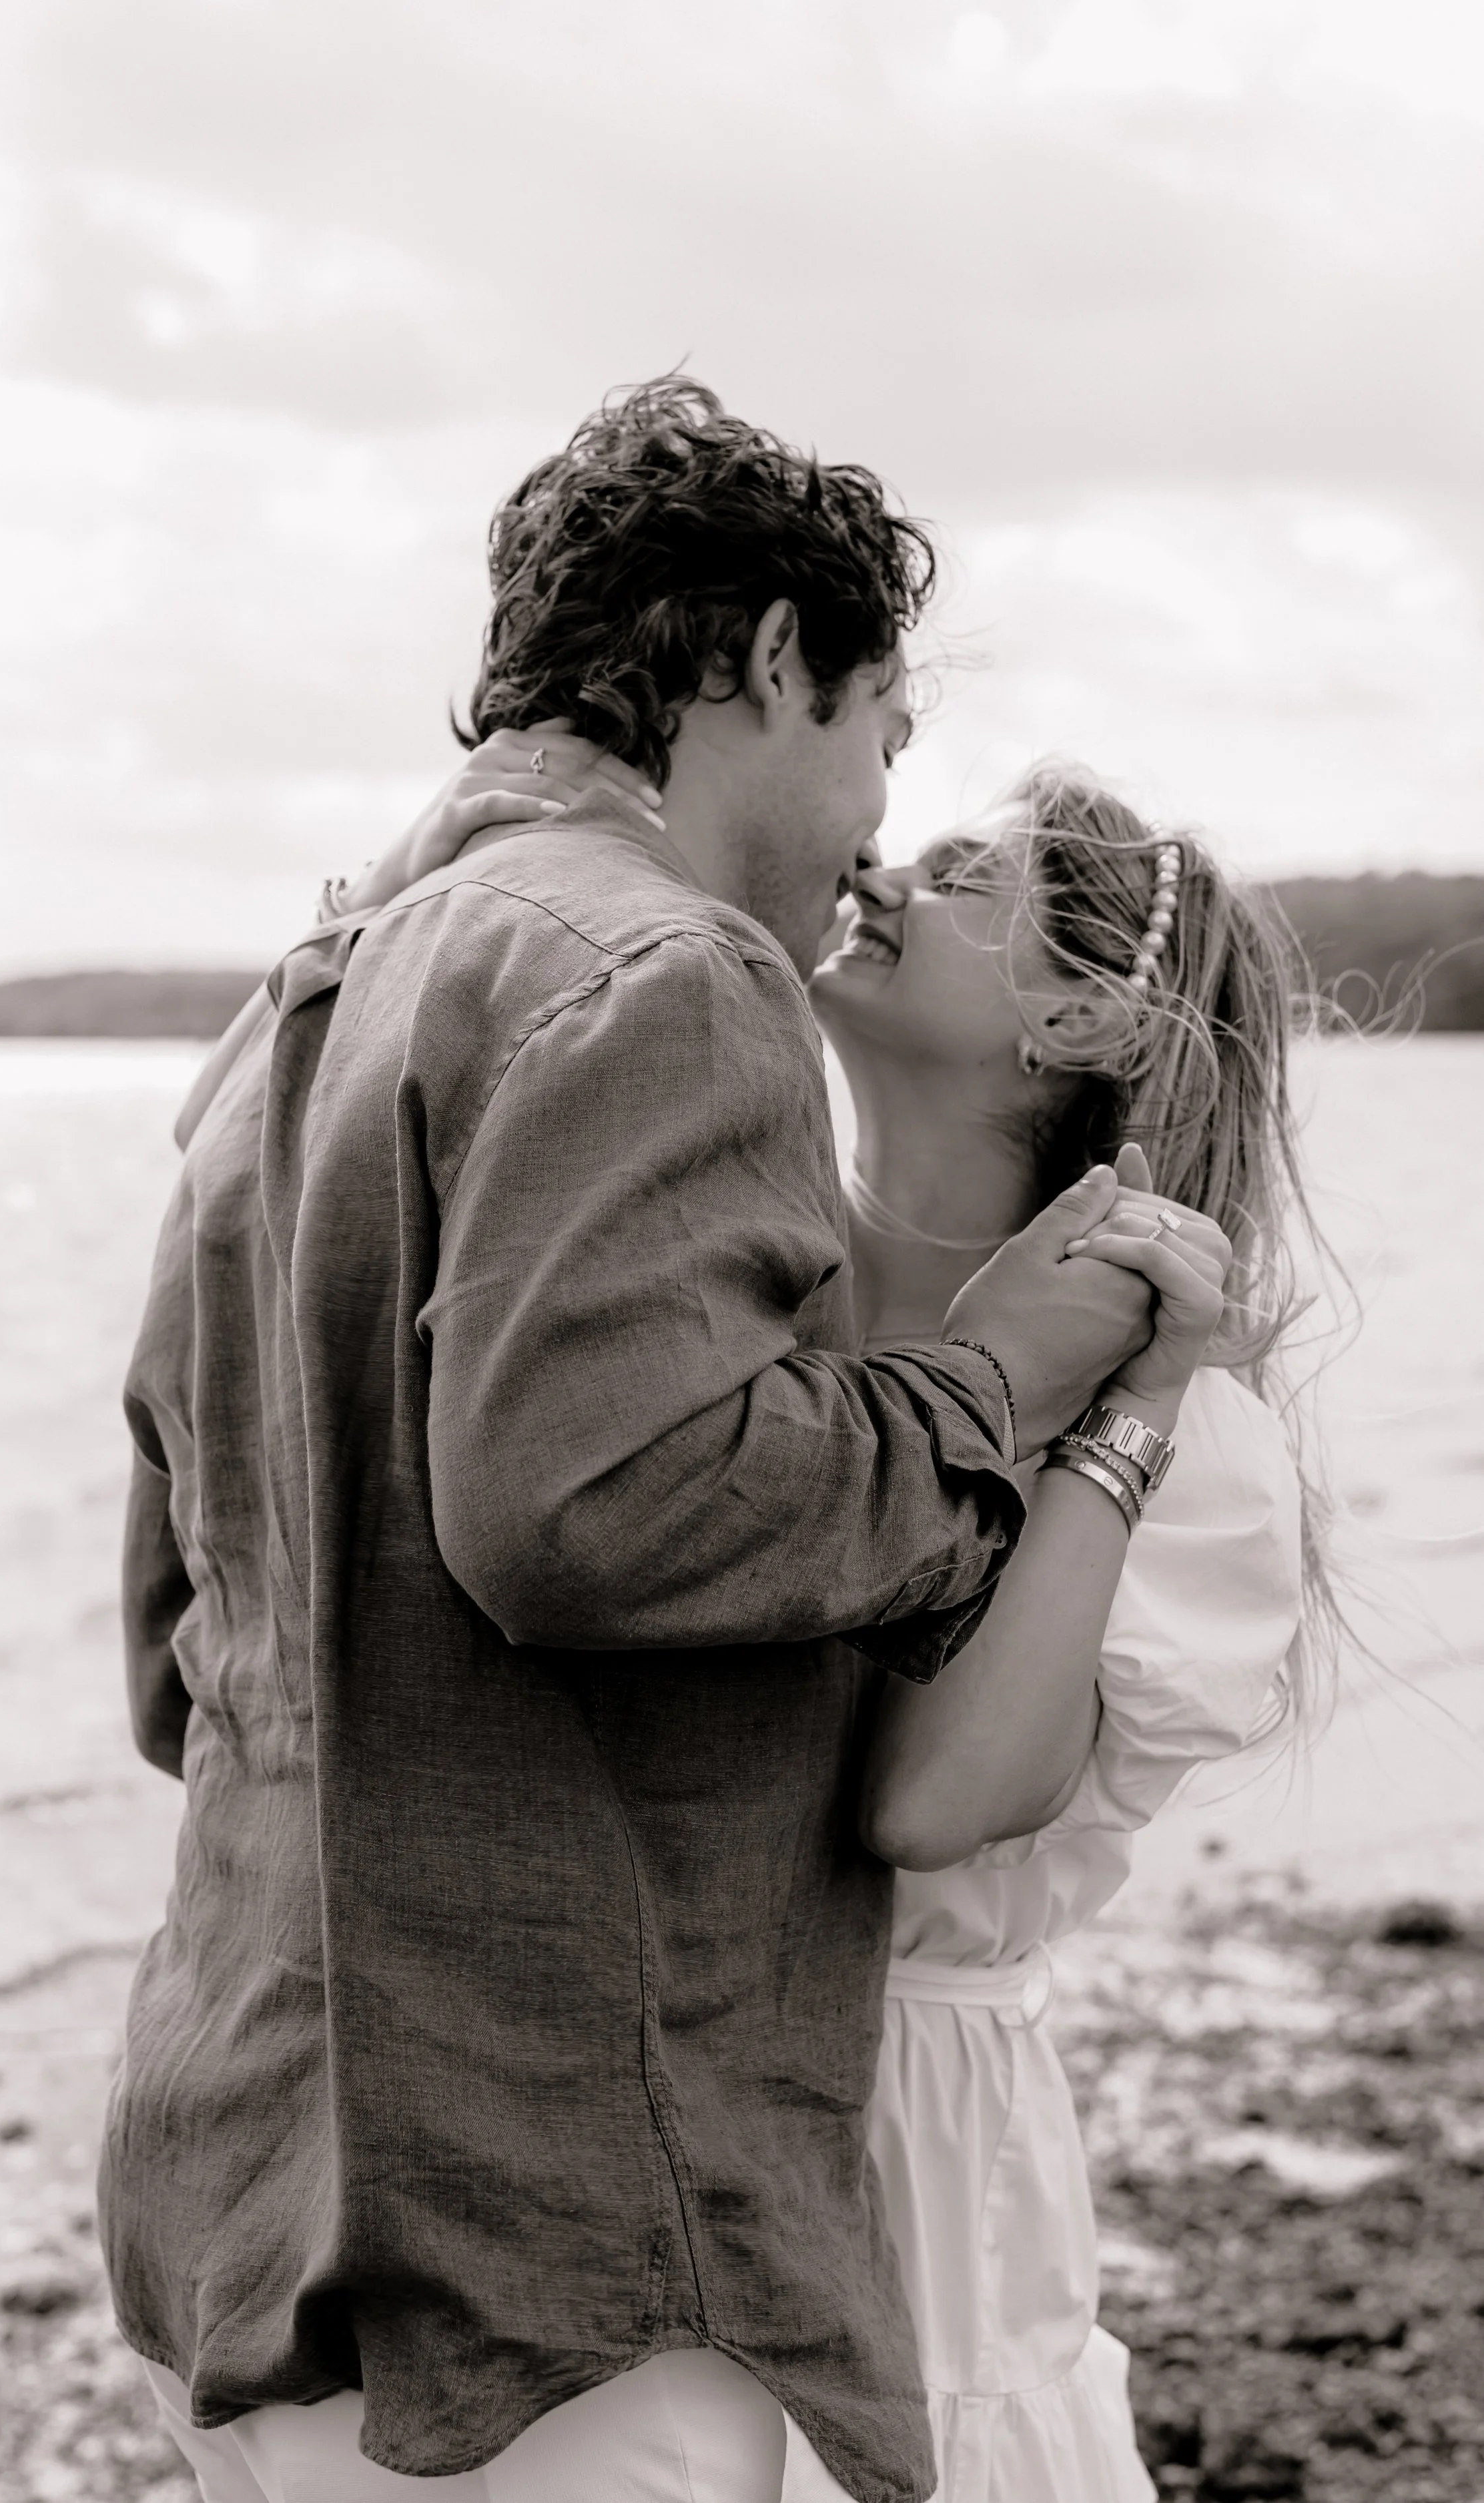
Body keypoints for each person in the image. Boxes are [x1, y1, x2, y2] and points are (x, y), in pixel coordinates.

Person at [105, 380, 1162, 2503]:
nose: (874, 810)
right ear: (773, 655)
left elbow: (166, 1647)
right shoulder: (669, 969)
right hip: (560, 2256)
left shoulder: (291, 1010)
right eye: (878, 732)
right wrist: (1008, 1383)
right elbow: (595, 1507)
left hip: (239, 2189)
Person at [814, 767, 1316, 2500]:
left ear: (1079, 1013)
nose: (875, 869)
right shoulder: (726, 1293)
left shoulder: (1194, 1450)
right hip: (631, 2074)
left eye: (962, 877)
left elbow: (929, 1802)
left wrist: (1130, 1406)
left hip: (904, 2152)